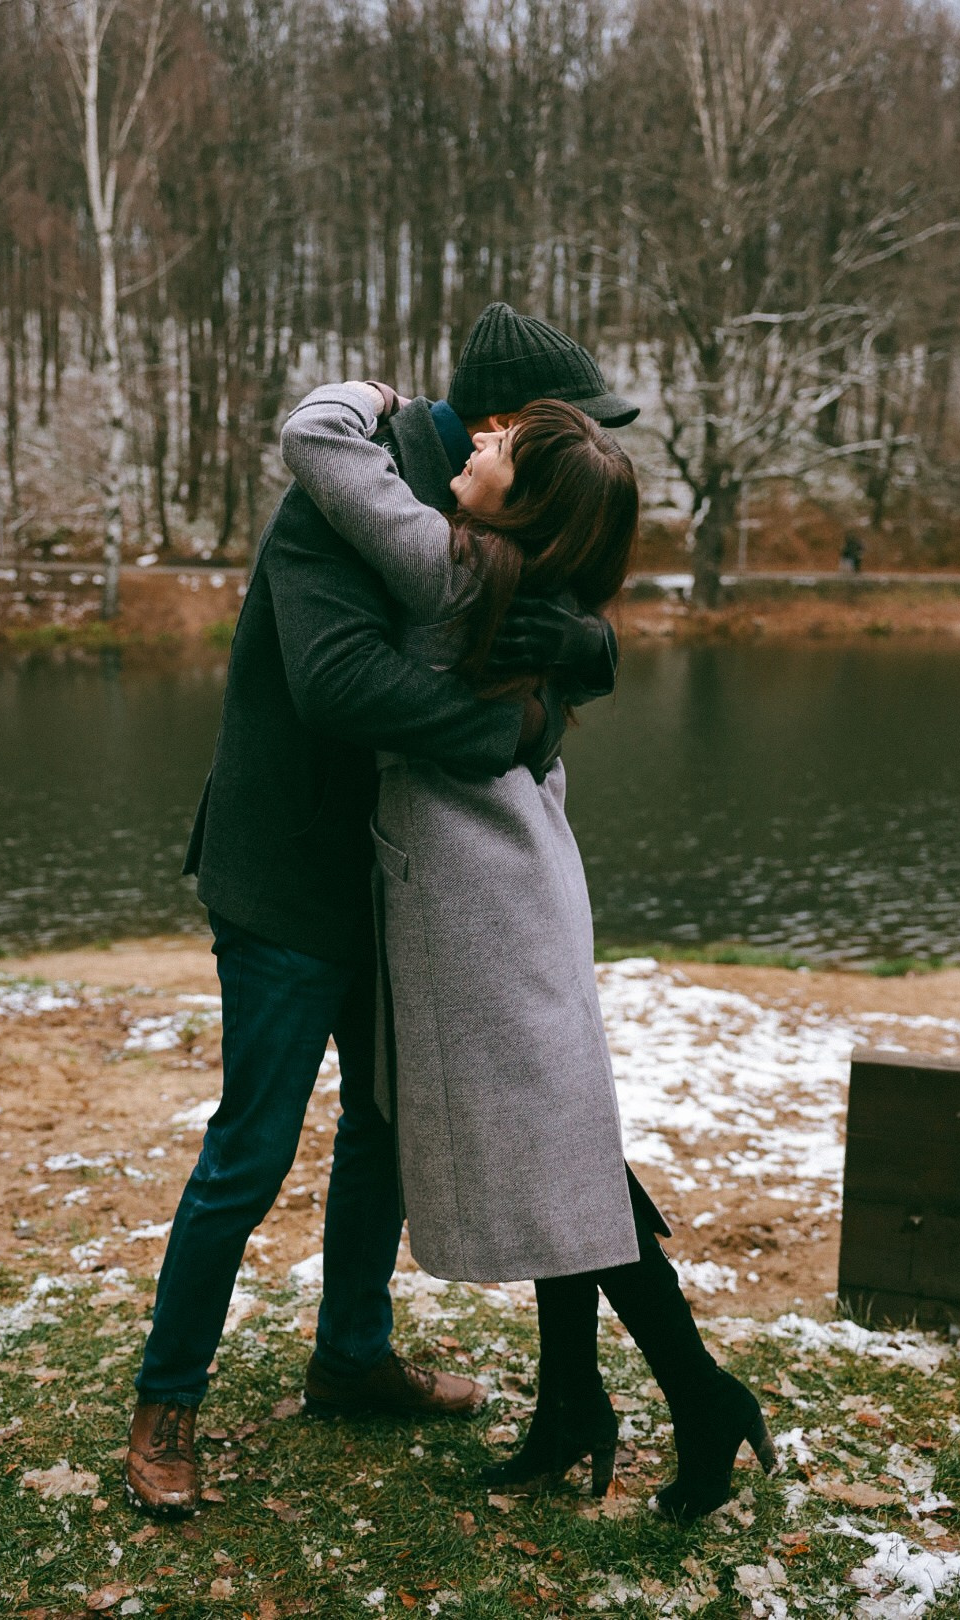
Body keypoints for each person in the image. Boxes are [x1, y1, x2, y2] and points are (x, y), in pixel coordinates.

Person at [125, 304, 640, 1517]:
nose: (584, 441)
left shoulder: (484, 504)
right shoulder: (341, 504)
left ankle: (352, 1358)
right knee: (248, 1152)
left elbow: (564, 617)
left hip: (397, 881)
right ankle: (166, 1401)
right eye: (566, 425)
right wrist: (519, 727)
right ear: (508, 425)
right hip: (288, 875)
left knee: (383, 1132)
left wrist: (580, 652)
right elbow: (342, 685)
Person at [279, 378, 775, 1523]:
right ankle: (575, 1404)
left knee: (562, 1159)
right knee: (565, 1145)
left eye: (508, 442)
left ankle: (697, 1397)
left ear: (528, 503)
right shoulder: (534, 581)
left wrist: (377, 393)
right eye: (499, 423)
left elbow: (314, 435)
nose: (484, 434)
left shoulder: (449, 563)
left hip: (477, 899)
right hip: (521, 879)